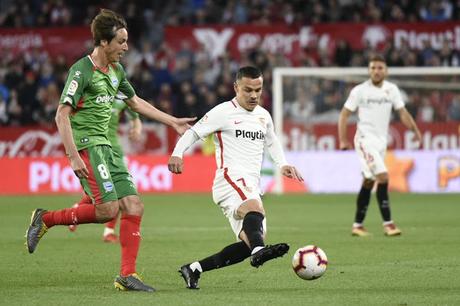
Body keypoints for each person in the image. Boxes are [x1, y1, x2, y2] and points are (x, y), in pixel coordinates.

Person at [25, 9, 195, 292]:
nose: (126, 47)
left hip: (108, 148)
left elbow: (136, 102)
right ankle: (46, 219)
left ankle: (127, 275)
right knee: (106, 210)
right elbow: (61, 115)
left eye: (126, 41)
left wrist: (173, 121)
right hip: (87, 146)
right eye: (121, 42)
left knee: (133, 205)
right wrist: (72, 155)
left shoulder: (116, 71)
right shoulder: (82, 71)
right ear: (103, 42)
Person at [168, 66, 304, 289]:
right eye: (248, 90)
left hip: (251, 184)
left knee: (250, 241)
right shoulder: (223, 112)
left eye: (258, 90)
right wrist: (177, 153)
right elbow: (193, 132)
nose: (253, 95)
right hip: (229, 178)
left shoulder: (263, 115)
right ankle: (259, 252)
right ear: (236, 88)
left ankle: (193, 269)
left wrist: (283, 164)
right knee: (255, 217)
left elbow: (272, 141)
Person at [338, 54, 422, 237]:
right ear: (369, 70)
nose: (376, 71)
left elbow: (402, 112)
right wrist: (343, 139)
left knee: (369, 181)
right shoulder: (360, 91)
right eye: (373, 68)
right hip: (364, 140)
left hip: (381, 142)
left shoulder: (392, 90)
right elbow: (344, 114)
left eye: (380, 68)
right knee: (383, 177)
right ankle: (389, 224)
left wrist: (415, 129)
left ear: (386, 70)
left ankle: (357, 225)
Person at [68, 92, 142, 244]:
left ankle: (107, 231)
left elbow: (136, 117)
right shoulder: (94, 96)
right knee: (106, 193)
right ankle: (75, 212)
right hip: (95, 149)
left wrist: (137, 129)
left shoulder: (122, 100)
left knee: (119, 193)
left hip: (115, 151)